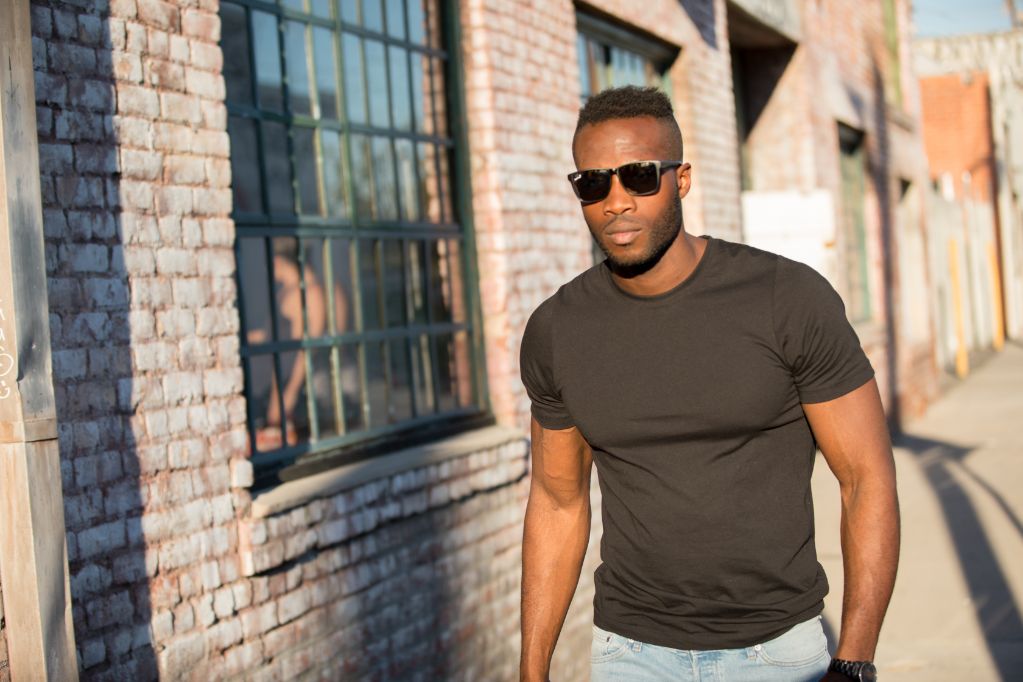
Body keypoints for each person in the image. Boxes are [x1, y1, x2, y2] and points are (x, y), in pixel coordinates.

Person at [518, 86, 898, 682]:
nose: (615, 202)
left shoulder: (785, 299)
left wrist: (854, 658)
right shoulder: (557, 330)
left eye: (639, 176)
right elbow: (557, 501)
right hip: (630, 653)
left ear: (682, 179)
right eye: (593, 183)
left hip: (776, 653)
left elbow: (865, 478)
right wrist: (532, 668)